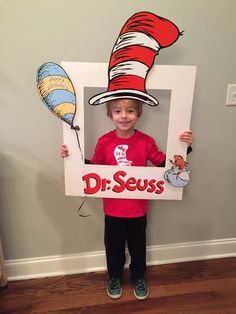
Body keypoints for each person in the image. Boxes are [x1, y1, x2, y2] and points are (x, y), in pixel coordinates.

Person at [60, 98, 193, 300]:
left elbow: (164, 166)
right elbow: (95, 169)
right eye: (117, 111)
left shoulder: (146, 141)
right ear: (110, 116)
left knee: (138, 246)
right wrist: (72, 157)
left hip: (138, 209)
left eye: (130, 111)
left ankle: (138, 276)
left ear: (138, 115)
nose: (124, 116)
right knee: (113, 247)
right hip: (112, 209)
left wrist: (184, 148)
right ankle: (114, 276)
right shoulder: (104, 141)